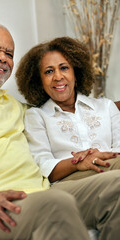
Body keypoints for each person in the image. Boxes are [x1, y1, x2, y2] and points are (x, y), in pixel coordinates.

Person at [0, 23, 93, 240]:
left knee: (115, 185)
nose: (2, 57)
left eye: (8, 53)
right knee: (56, 205)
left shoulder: (18, 107)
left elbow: (67, 112)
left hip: (46, 195)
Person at [16, 36, 120, 239]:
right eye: (48, 71)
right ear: (38, 80)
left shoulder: (106, 107)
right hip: (68, 186)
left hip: (111, 170)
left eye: (64, 68)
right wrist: (78, 163)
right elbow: (44, 167)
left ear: (76, 72)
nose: (57, 77)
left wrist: (96, 157)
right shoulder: (36, 116)